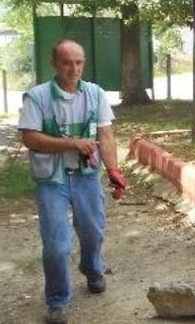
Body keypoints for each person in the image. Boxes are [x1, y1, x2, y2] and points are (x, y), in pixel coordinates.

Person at [18, 39, 128, 324]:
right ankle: (57, 301)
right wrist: (71, 144)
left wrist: (114, 171)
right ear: (54, 63)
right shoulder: (37, 97)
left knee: (93, 232)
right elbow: (29, 137)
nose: (73, 68)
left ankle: (92, 269)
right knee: (56, 244)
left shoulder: (95, 94)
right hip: (51, 181)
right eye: (67, 62)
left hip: (87, 177)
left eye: (78, 62)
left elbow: (105, 135)